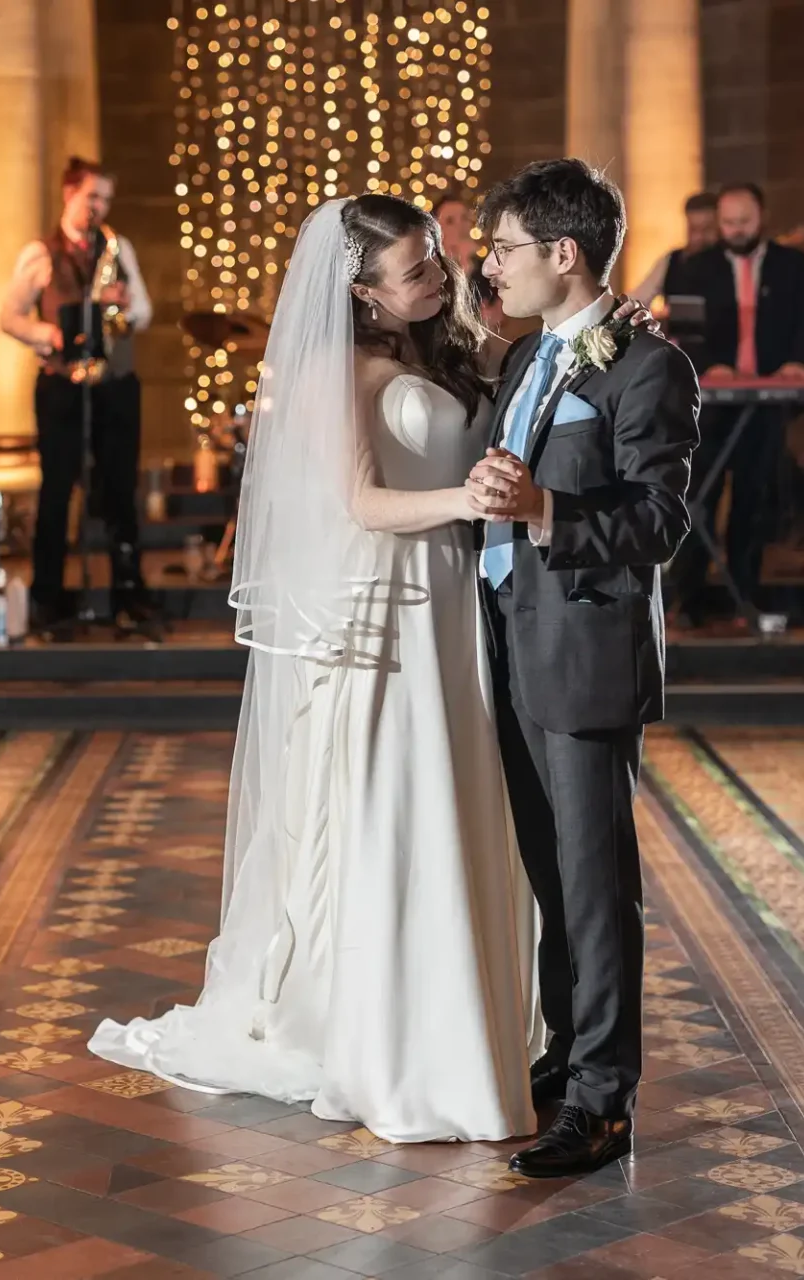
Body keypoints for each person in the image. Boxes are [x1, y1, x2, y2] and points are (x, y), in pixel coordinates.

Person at [89, 194, 540, 1143]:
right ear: (362, 292)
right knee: (396, 806)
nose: (440, 275)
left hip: (458, 605)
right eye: (416, 269)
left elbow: (542, 361)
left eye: (434, 259)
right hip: (392, 608)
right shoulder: (339, 368)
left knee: (459, 797)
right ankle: (379, 1033)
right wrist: (465, 498)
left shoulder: (447, 346)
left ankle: (465, 1017)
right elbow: (363, 504)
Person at [470, 158, 700, 1176]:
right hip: (513, 641)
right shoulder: (528, 360)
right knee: (552, 875)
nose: (490, 264)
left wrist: (546, 511)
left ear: (564, 254)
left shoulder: (650, 367)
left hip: (586, 651)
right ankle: (566, 1055)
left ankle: (605, 1101)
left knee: (597, 883)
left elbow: (659, 521)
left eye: (505, 248)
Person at [1, 157, 155, 636]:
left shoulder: (117, 246)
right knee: (56, 490)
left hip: (114, 383)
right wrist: (45, 333)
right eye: (92, 197)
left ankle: (129, 593)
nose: (99, 208)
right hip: (62, 385)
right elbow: (9, 316)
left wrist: (125, 308)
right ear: (69, 194)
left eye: (106, 199)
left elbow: (145, 312)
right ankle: (48, 596)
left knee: (119, 492)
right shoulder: (40, 252)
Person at [669, 181, 804, 621]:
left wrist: (797, 362)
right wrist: (710, 364)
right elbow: (684, 329)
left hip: (766, 401)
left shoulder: (791, 265)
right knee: (699, 493)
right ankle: (689, 600)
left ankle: (745, 597)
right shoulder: (694, 267)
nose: (736, 230)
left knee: (754, 500)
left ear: (762, 218)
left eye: (745, 222)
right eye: (729, 223)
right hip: (711, 402)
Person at [433, 192, 506, 335]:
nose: (460, 227)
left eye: (464, 218)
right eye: (450, 221)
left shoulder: (487, 269)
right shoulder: (431, 270)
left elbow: (498, 314)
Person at [631, 191, 719, 308]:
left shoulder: (735, 262)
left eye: (707, 229)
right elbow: (637, 299)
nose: (699, 237)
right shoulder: (670, 261)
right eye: (693, 229)